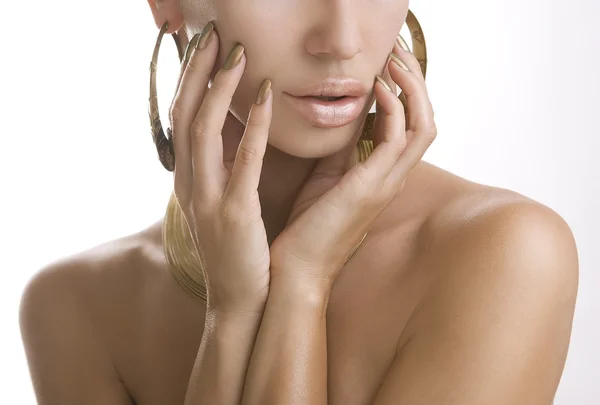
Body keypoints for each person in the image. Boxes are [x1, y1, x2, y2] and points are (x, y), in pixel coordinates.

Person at [19, 0, 579, 404]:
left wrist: (301, 283)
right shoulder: (72, 309)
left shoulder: (504, 255)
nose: (340, 38)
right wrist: (233, 311)